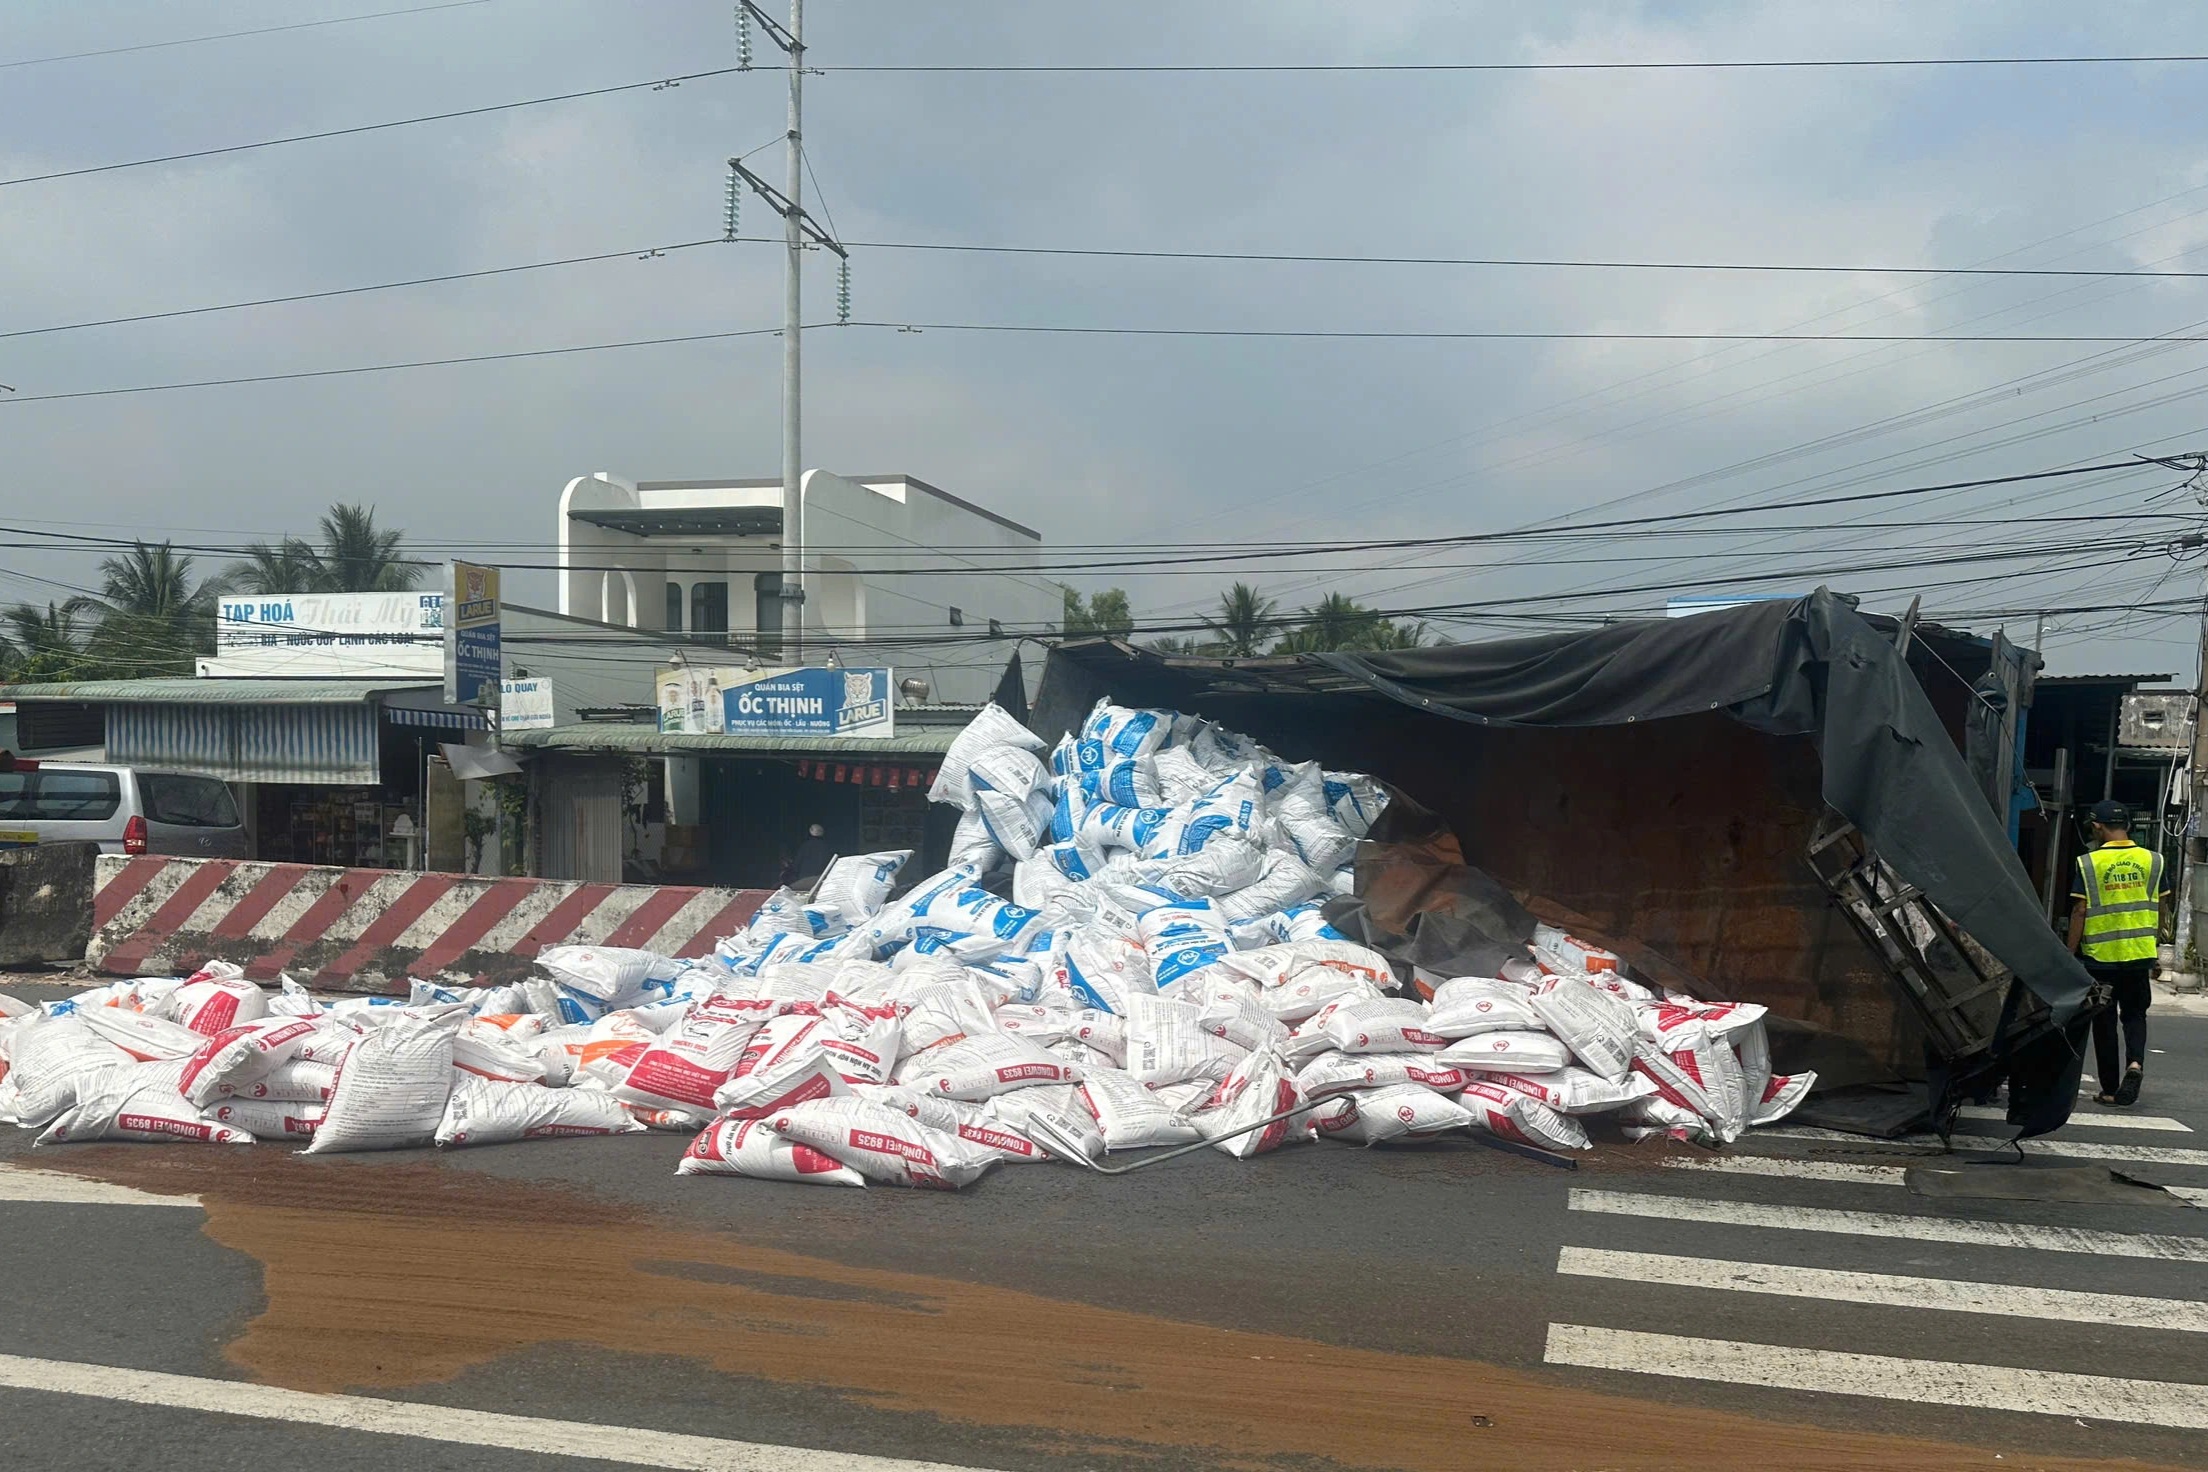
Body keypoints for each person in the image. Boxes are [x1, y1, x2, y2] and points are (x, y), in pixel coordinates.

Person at [2065, 799, 2170, 1107]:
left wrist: (2070, 954)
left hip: (2101, 959)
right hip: (2139, 954)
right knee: (2136, 1015)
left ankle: (2110, 1089)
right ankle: (2135, 1064)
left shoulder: (2088, 863)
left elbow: (2080, 910)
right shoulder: (2154, 860)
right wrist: (2156, 948)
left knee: (2104, 1021)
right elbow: (2162, 906)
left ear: (2097, 826)